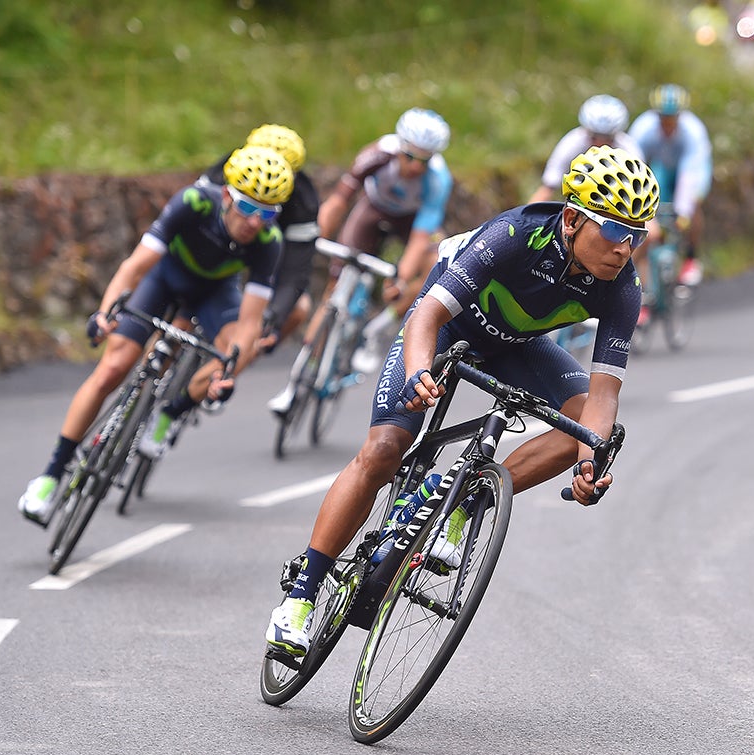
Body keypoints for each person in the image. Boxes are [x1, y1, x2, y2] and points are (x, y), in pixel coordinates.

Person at [266, 145, 659, 656]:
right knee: (385, 448)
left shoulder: (624, 289)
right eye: (611, 229)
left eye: (636, 234)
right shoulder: (516, 235)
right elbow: (427, 315)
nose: (624, 247)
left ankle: (465, 497)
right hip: (449, 324)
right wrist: (418, 372)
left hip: (517, 345)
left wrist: (589, 463)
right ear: (571, 219)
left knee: (584, 426)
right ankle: (300, 596)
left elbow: (604, 397)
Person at [17, 146, 294, 524]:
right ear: (228, 196)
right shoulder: (193, 203)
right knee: (114, 366)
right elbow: (134, 267)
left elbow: (249, 323)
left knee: (238, 348)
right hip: (165, 278)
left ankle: (173, 409)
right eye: (248, 207)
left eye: (268, 213)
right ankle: (50, 476)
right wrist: (105, 313)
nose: (255, 222)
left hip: (215, 293)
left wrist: (225, 372)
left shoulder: (268, 242)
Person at [267, 107, 453, 411]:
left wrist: (401, 277)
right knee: (334, 288)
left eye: (424, 160)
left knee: (435, 265)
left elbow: (421, 235)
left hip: (411, 220)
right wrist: (313, 238)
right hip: (373, 208)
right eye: (410, 157)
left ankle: (377, 329)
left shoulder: (438, 180)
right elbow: (340, 199)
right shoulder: (377, 154)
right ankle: (294, 384)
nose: (416, 166)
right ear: (399, 147)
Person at [197, 124, 320, 355]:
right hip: (219, 242)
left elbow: (295, 273)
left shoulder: (305, 201)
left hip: (267, 252)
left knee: (299, 307)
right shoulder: (223, 171)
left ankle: (237, 362)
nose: (264, 177)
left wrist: (271, 318)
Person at [627, 83, 713, 319]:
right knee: (648, 209)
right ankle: (648, 284)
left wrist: (683, 214)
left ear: (680, 116)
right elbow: (635, 169)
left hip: (691, 169)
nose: (667, 123)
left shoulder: (693, 132)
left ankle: (690, 259)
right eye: (662, 118)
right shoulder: (643, 129)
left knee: (693, 201)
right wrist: (644, 212)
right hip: (661, 167)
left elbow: (689, 176)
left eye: (672, 118)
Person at [528, 94, 644, 204]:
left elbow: (641, 193)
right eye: (594, 137)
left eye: (608, 138)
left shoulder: (628, 147)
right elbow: (548, 187)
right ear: (586, 130)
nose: (600, 144)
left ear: (617, 134)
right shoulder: (572, 143)